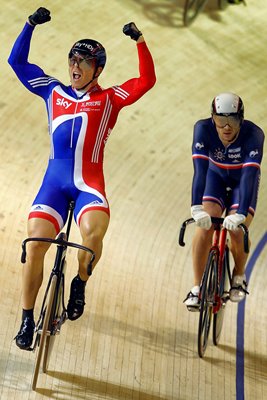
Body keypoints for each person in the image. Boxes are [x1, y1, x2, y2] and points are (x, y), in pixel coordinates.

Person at [8, 7, 156, 349]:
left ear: (98, 70)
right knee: (35, 246)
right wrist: (29, 25)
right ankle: (27, 318)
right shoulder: (52, 91)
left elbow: (146, 80)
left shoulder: (109, 99)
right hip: (54, 185)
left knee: (92, 234)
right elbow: (17, 62)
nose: (75, 67)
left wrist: (140, 41)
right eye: (72, 60)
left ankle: (81, 282)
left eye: (83, 63)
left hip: (89, 185)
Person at [184, 92, 264, 310]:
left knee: (238, 230)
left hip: (241, 184)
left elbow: (248, 178)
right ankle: (196, 287)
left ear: (242, 118)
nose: (226, 127)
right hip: (214, 178)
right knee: (204, 226)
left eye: (233, 121)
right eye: (221, 121)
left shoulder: (254, 134)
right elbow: (199, 172)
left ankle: (238, 276)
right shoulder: (202, 129)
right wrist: (196, 207)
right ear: (212, 118)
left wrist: (239, 215)